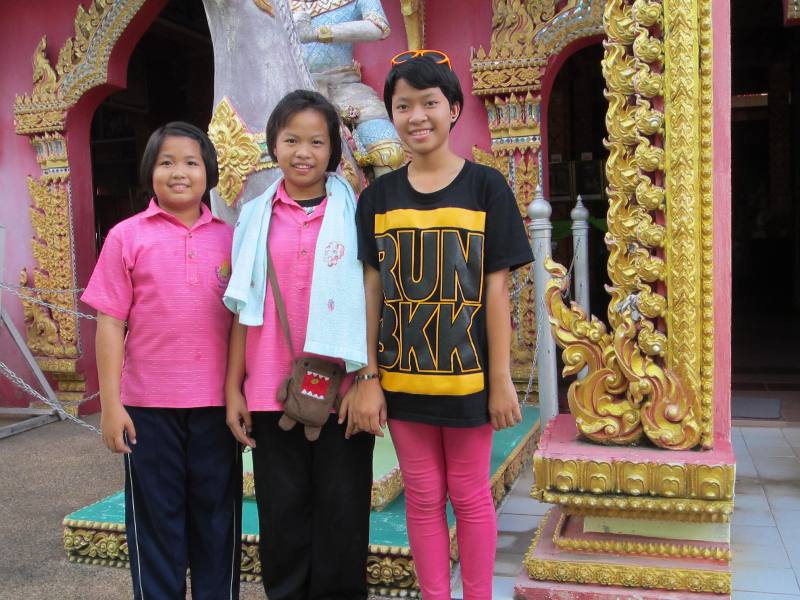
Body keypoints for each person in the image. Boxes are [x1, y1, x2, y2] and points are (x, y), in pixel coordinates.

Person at [351, 51, 534, 600]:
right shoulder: (377, 197)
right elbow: (371, 291)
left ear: (453, 109)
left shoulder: (486, 187)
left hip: (468, 380)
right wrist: (369, 376)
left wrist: (499, 378)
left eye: (429, 103)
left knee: (471, 494)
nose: (416, 116)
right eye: (402, 105)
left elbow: (496, 291)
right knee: (424, 496)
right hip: (403, 381)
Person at [223, 89, 374, 600]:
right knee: (282, 520)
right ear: (273, 145)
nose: (303, 152)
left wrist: (369, 380)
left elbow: (377, 298)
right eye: (291, 139)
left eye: (316, 140)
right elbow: (243, 306)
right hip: (271, 391)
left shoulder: (360, 213)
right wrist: (233, 390)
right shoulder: (254, 216)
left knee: (342, 519)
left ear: (334, 148)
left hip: (343, 393)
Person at [82, 122, 241, 600]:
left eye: (191, 162)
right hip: (147, 409)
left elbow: (244, 325)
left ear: (209, 172)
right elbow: (110, 323)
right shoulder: (126, 237)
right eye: (166, 162)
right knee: (156, 529)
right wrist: (112, 406)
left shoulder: (232, 239)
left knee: (218, 526)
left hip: (215, 408)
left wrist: (241, 394)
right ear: (150, 170)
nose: (179, 172)